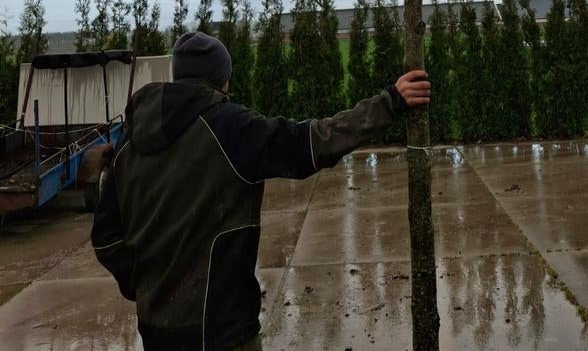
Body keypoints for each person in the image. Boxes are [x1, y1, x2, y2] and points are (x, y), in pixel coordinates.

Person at [92, 31, 430, 351]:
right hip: (223, 333)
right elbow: (312, 143)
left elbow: (106, 238)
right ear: (222, 79)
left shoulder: (129, 139)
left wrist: (147, 288)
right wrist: (389, 103)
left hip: (155, 332)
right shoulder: (229, 128)